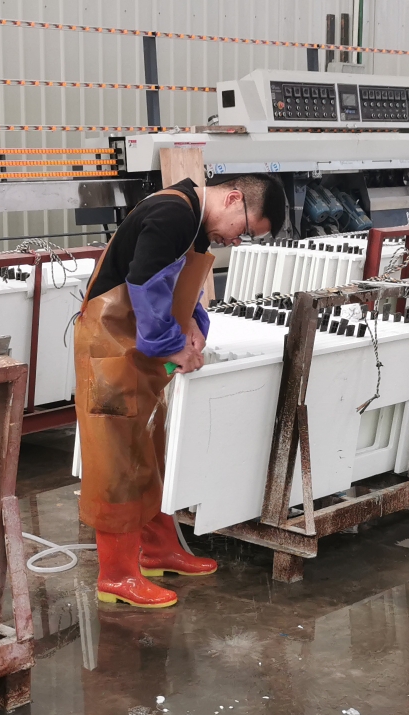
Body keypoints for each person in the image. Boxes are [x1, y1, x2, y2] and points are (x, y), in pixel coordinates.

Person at [75, 174, 287, 608]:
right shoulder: (172, 212)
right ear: (233, 199)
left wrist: (193, 324)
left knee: (150, 452)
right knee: (115, 462)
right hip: (110, 350)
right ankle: (116, 576)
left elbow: (175, 289)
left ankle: (158, 550)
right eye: (244, 230)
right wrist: (172, 345)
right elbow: (145, 284)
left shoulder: (194, 222)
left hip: (135, 351)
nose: (237, 241)